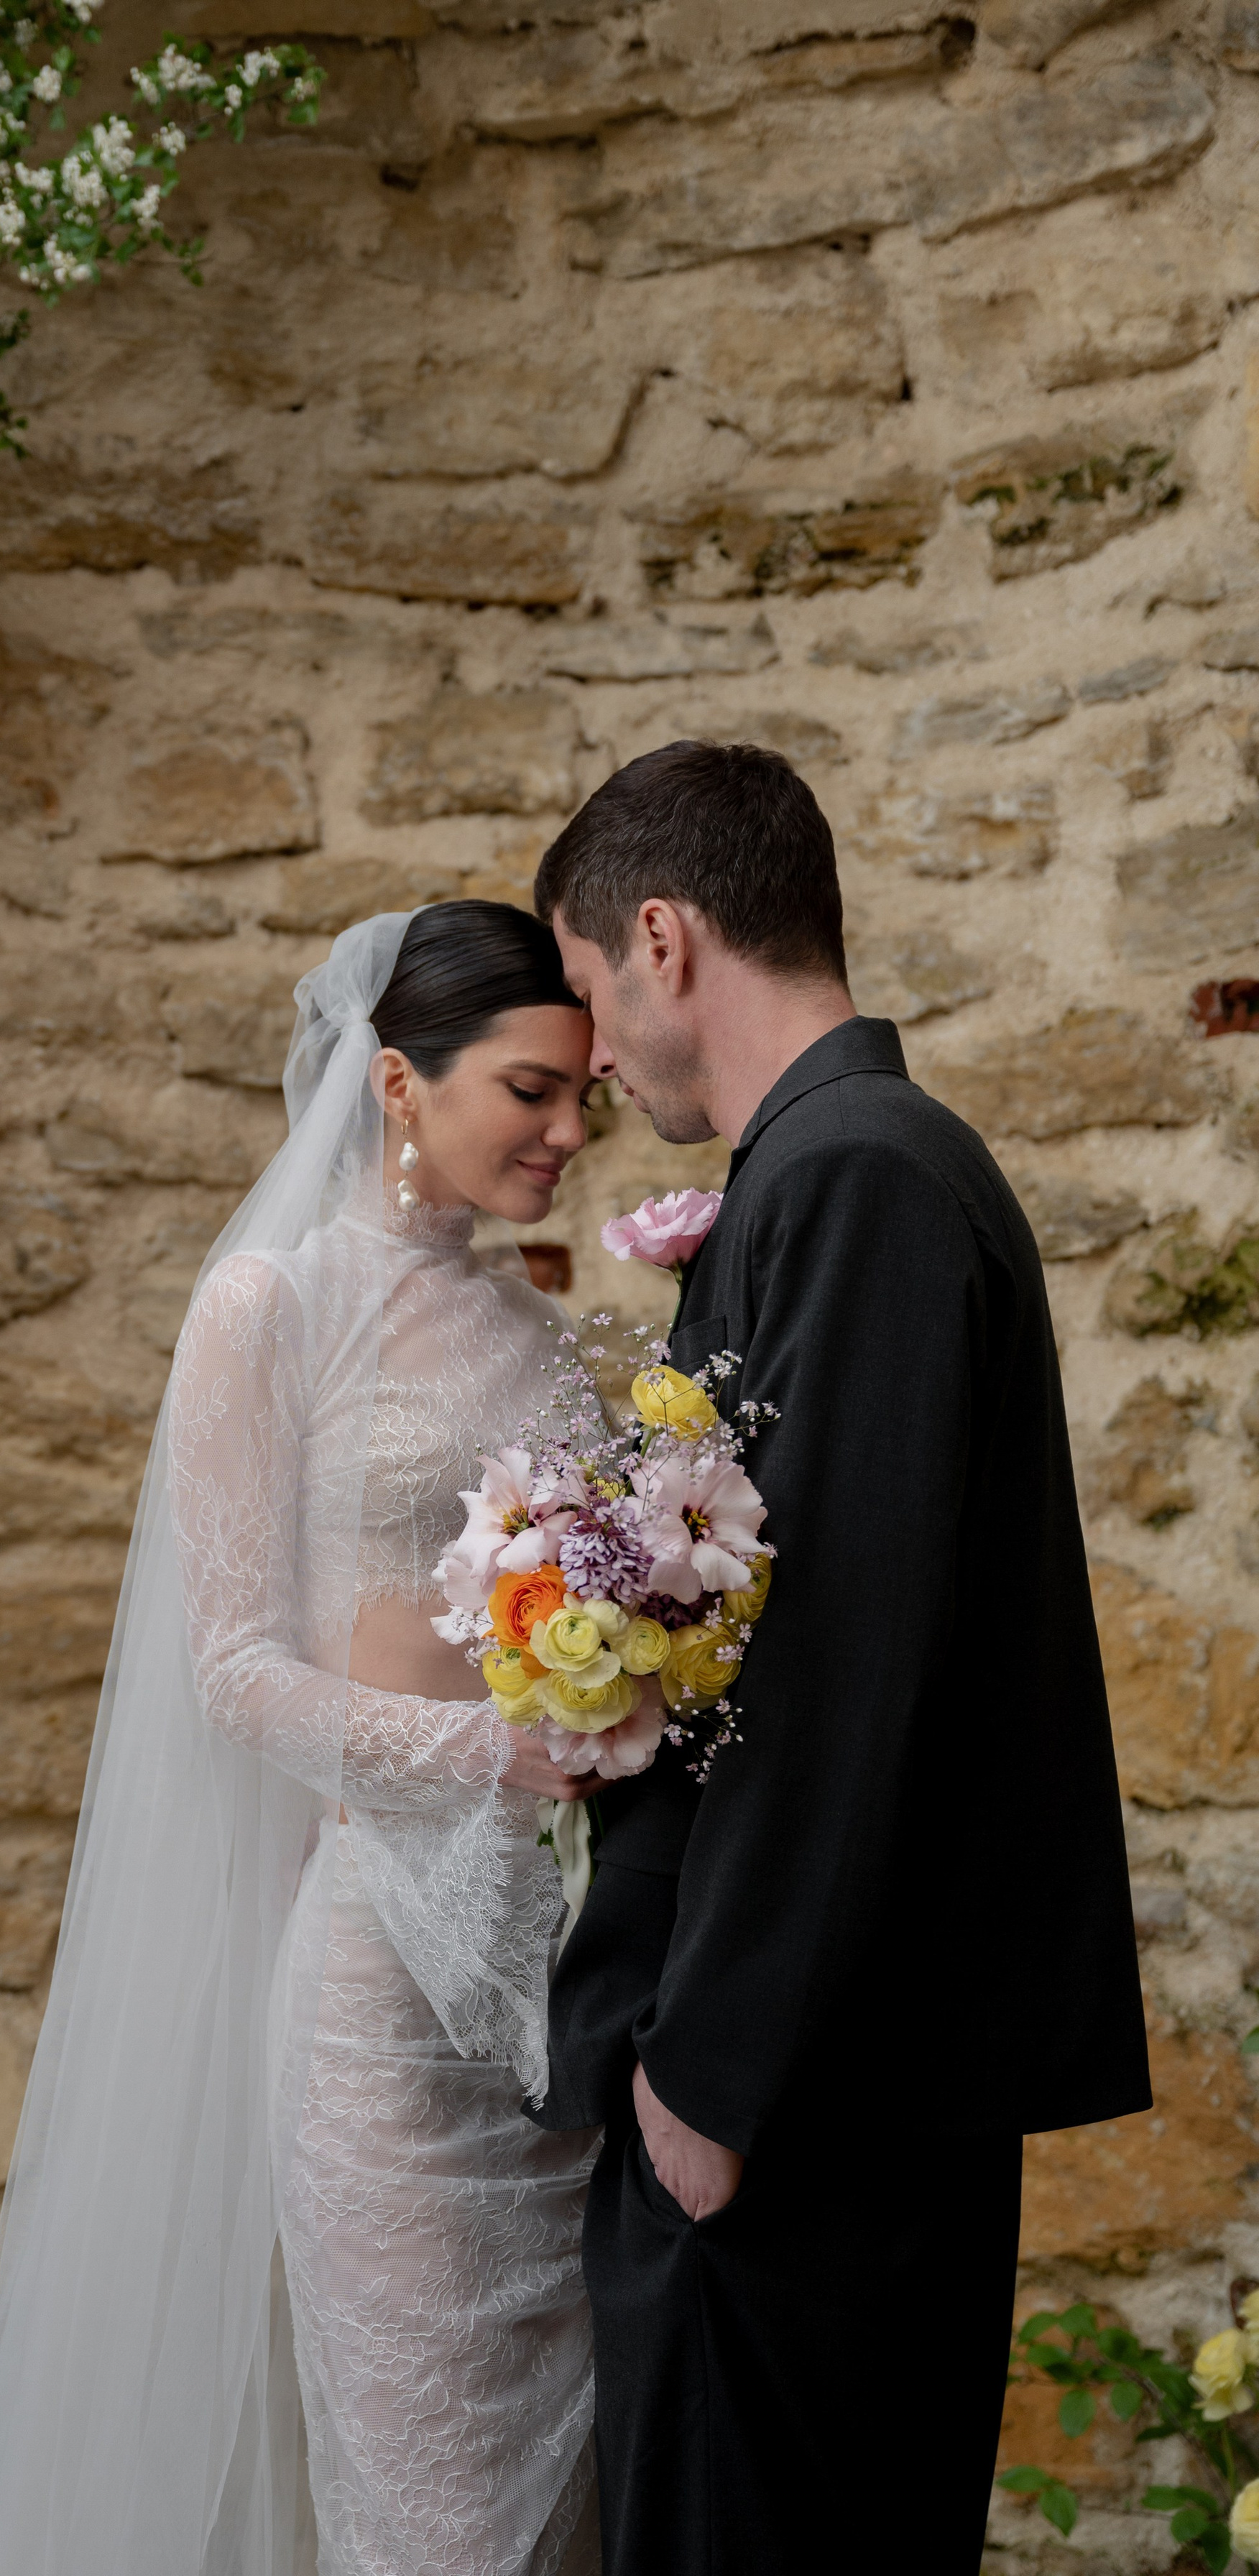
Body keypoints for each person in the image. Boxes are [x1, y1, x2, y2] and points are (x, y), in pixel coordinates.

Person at [0, 901, 607, 2576]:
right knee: (433, 2506)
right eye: (528, 1090)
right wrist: (493, 1757)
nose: (568, 1133)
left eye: (582, 1095)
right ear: (395, 1080)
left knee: (571, 2491)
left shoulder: (542, 1333)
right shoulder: (266, 1308)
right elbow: (232, 1671)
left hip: (562, 1971)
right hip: (379, 1983)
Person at [530, 738, 1152, 2575]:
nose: (592, 1055)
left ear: (663, 940)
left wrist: (711, 2075)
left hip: (804, 2106)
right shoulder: (830, 1166)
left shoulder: (858, 1177)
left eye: (586, 991)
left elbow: (841, 1665)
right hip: (808, 2088)